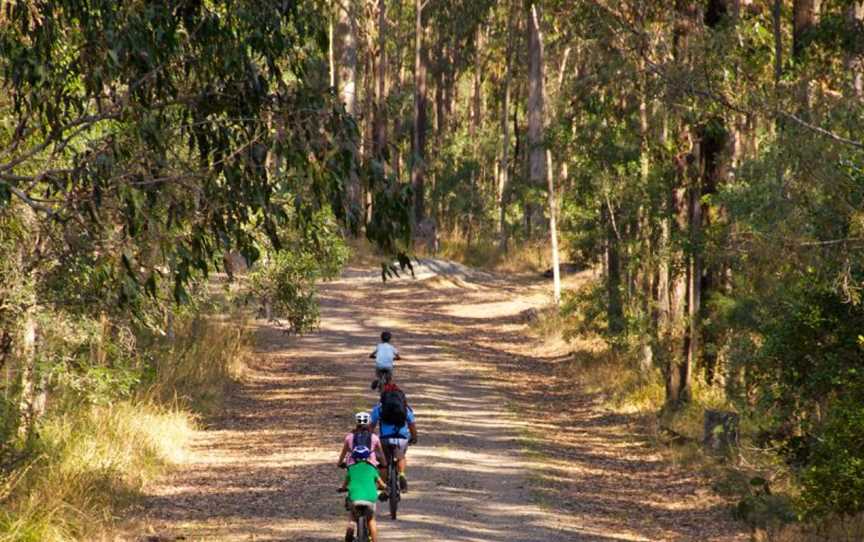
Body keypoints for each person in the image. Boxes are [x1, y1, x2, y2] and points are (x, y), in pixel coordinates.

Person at [370, 382, 417, 491]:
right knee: (400, 456)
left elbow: (371, 426)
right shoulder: (405, 409)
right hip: (402, 438)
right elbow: (412, 426)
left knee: (383, 462)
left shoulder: (378, 409)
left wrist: (370, 439)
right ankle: (401, 474)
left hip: (384, 439)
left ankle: (383, 487)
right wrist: (414, 438)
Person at [341, 447, 387, 542]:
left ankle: (351, 527)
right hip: (370, 499)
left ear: (354, 457)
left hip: (355, 498)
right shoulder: (372, 468)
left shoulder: (351, 469)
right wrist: (385, 487)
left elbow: (345, 484)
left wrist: (342, 488)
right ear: (368, 457)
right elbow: (381, 484)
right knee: (371, 520)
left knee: (353, 516)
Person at [338, 412, 387, 486]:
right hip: (370, 464)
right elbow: (381, 453)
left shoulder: (349, 437)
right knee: (380, 471)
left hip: (352, 464)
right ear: (369, 423)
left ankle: (346, 488)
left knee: (350, 478)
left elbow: (343, 453)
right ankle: (380, 486)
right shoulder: (374, 437)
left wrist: (340, 463)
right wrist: (384, 464)